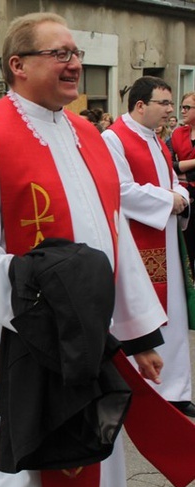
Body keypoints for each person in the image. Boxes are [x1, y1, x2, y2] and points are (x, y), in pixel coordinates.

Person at [0, 13, 169, 487]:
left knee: (91, 461)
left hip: (87, 337)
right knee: (27, 479)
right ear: (17, 64)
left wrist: (138, 332)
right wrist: (55, 300)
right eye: (59, 54)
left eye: (76, 54)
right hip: (27, 338)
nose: (75, 64)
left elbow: (113, 233)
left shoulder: (88, 136)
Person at [102, 76, 195, 417]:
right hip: (135, 240)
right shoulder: (113, 139)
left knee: (172, 314)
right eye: (165, 104)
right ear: (141, 105)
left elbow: (173, 179)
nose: (172, 112)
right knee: (140, 313)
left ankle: (173, 389)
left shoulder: (157, 140)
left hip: (166, 236)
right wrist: (169, 200)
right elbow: (120, 190)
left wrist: (180, 197)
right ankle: (137, 392)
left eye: (172, 104)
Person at [168, 92, 195, 274]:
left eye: (187, 107)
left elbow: (179, 168)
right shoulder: (178, 133)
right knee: (187, 252)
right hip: (185, 202)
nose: (182, 111)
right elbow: (169, 164)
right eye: (182, 107)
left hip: (189, 195)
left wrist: (183, 171)